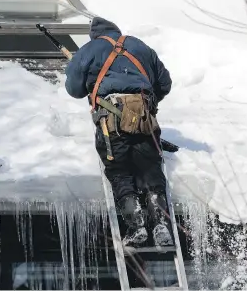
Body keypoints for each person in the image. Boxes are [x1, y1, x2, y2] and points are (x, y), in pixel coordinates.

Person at [64, 16, 174, 247]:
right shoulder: (139, 46)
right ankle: (161, 226)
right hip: (144, 116)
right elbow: (164, 83)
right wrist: (146, 102)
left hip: (111, 120)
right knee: (152, 171)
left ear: (96, 35)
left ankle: (137, 227)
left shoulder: (90, 49)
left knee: (119, 170)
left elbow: (74, 89)